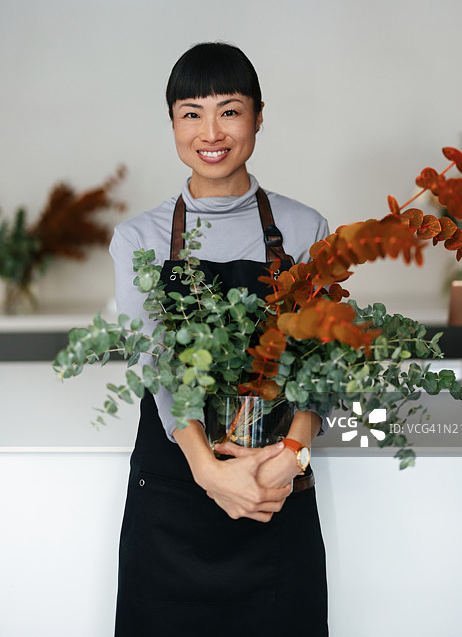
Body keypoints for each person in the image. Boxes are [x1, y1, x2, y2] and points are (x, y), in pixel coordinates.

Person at [110, 42, 330, 637]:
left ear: (258, 116)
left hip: (275, 492)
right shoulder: (140, 238)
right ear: (173, 124)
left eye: (229, 111)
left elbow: (320, 365)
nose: (211, 132)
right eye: (192, 113)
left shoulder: (304, 228)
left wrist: (292, 456)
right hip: (174, 497)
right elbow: (154, 362)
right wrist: (208, 471)